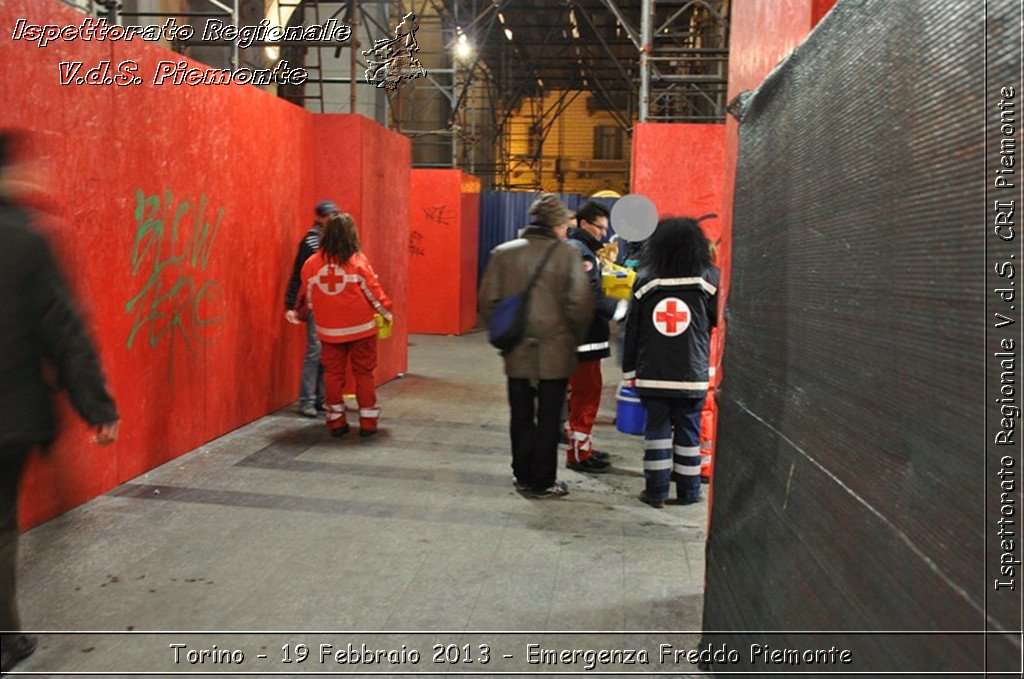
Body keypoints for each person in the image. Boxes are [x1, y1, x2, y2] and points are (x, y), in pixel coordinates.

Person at [0, 132, 120, 673]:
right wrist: (97, 407)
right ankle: (5, 640)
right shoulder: (28, 241)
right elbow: (64, 331)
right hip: (9, 415)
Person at [478, 195, 594, 499]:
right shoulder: (566, 255)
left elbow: (488, 301)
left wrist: (505, 336)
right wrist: (573, 338)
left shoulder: (503, 253)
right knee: (548, 419)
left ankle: (523, 475)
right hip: (556, 350)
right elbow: (580, 304)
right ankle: (543, 481)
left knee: (520, 414)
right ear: (556, 225)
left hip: (517, 350)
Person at [622, 217, 719, 508]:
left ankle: (656, 492)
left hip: (653, 372)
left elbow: (632, 330)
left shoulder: (646, 279)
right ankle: (689, 492)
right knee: (689, 432)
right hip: (692, 372)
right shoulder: (709, 278)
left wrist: (630, 370)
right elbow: (717, 320)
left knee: (657, 433)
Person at [287, 213, 392, 438]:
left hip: (329, 331)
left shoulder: (312, 264)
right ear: (351, 234)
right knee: (364, 374)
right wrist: (387, 312)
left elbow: (309, 298)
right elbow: (374, 293)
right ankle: (368, 423)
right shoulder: (358, 261)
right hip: (361, 329)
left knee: (333, 375)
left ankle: (336, 423)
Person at [564, 201, 627, 473]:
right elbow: (589, 296)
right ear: (584, 223)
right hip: (585, 340)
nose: (603, 233)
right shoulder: (582, 252)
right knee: (586, 396)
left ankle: (582, 448)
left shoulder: (579, 249)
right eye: (599, 227)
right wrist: (621, 309)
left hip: (578, 338)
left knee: (583, 395)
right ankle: (579, 455)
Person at [284, 200, 339, 418]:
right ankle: (307, 400)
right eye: (331, 215)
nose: (334, 218)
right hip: (315, 302)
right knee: (315, 350)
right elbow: (298, 273)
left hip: (329, 302)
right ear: (321, 217)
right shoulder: (311, 242)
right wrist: (289, 304)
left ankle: (320, 399)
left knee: (325, 351)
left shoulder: (330, 240)